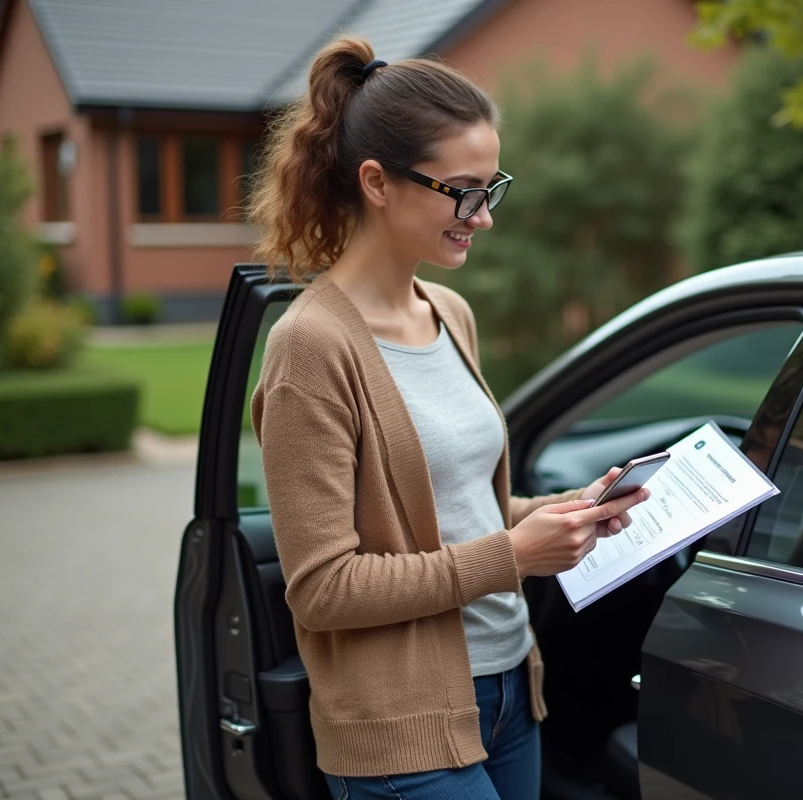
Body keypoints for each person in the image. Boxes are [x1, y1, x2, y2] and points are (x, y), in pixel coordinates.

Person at [247, 36, 648, 800]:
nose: (483, 217)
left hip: (507, 696)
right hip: (398, 726)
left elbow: (459, 514)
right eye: (463, 191)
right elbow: (324, 588)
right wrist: (515, 556)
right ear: (377, 182)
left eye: (491, 188)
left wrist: (561, 514)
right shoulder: (309, 348)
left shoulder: (449, 313)